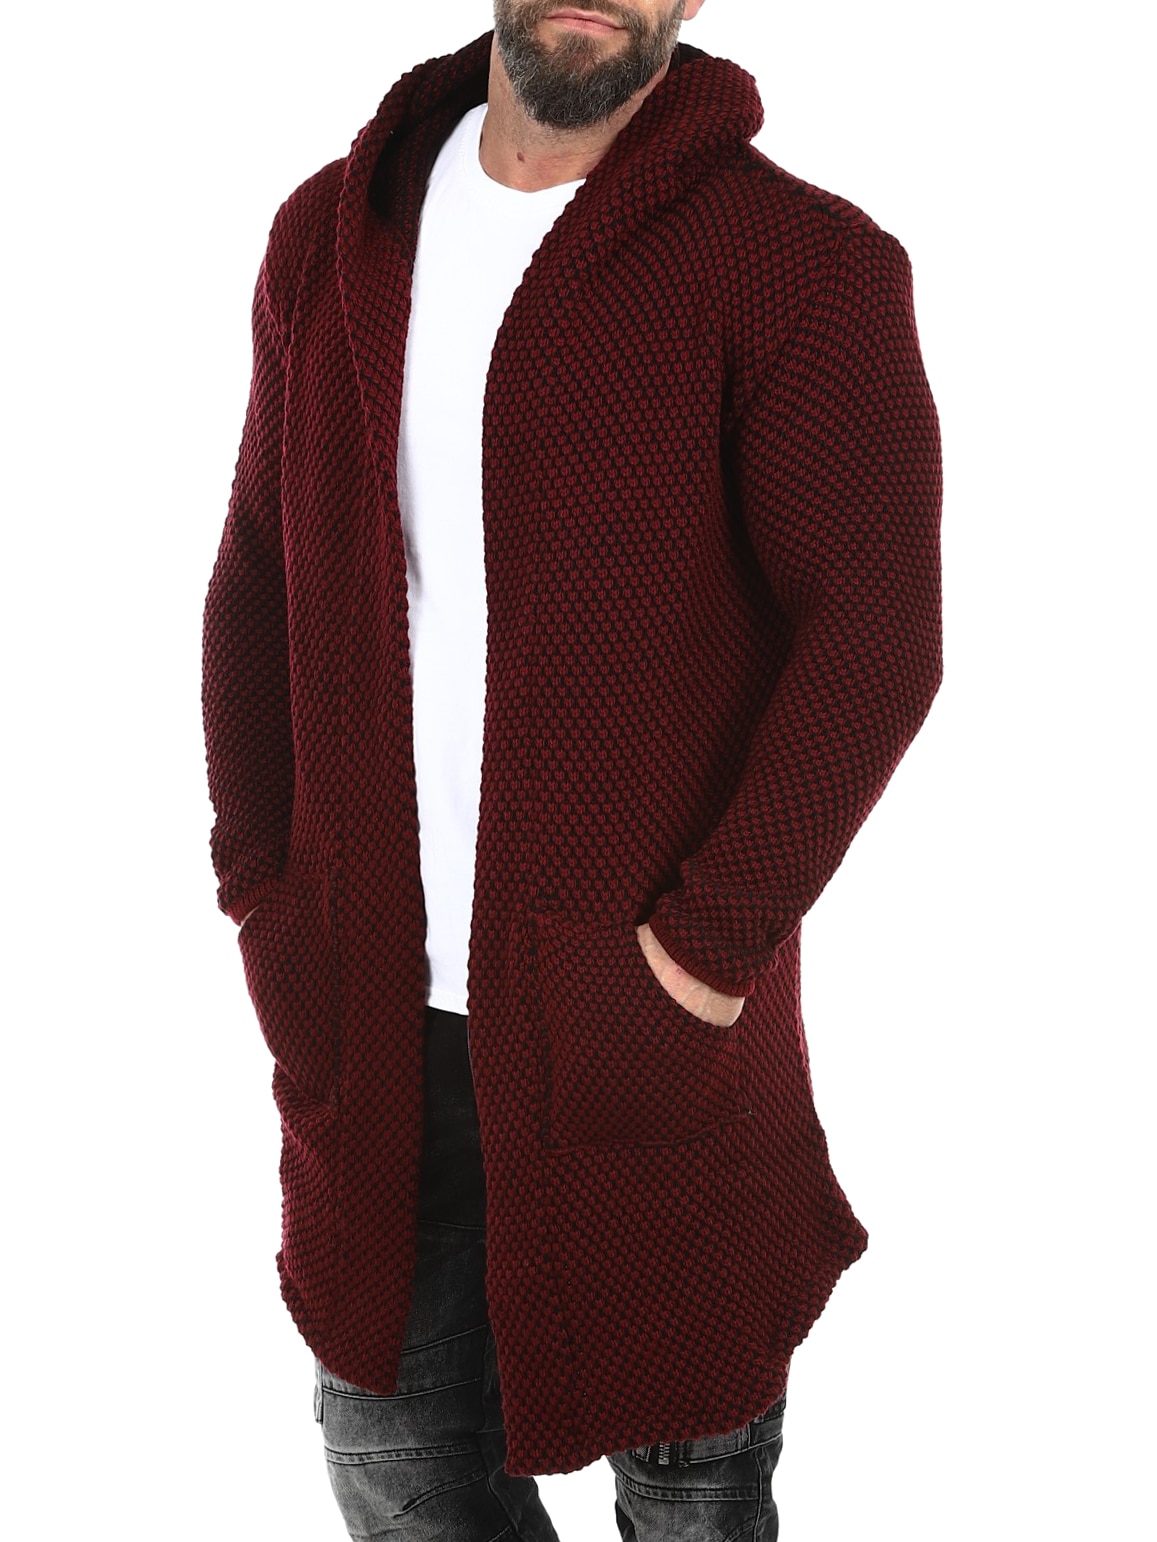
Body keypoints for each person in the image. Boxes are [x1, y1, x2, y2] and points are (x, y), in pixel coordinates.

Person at [201, 1, 942, 1535]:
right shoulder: (334, 233)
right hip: (370, 1019)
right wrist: (262, 887)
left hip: (640, 1022)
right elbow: (257, 570)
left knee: (689, 1483)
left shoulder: (797, 261)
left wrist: (704, 952)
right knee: (400, 1475)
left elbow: (872, 637)